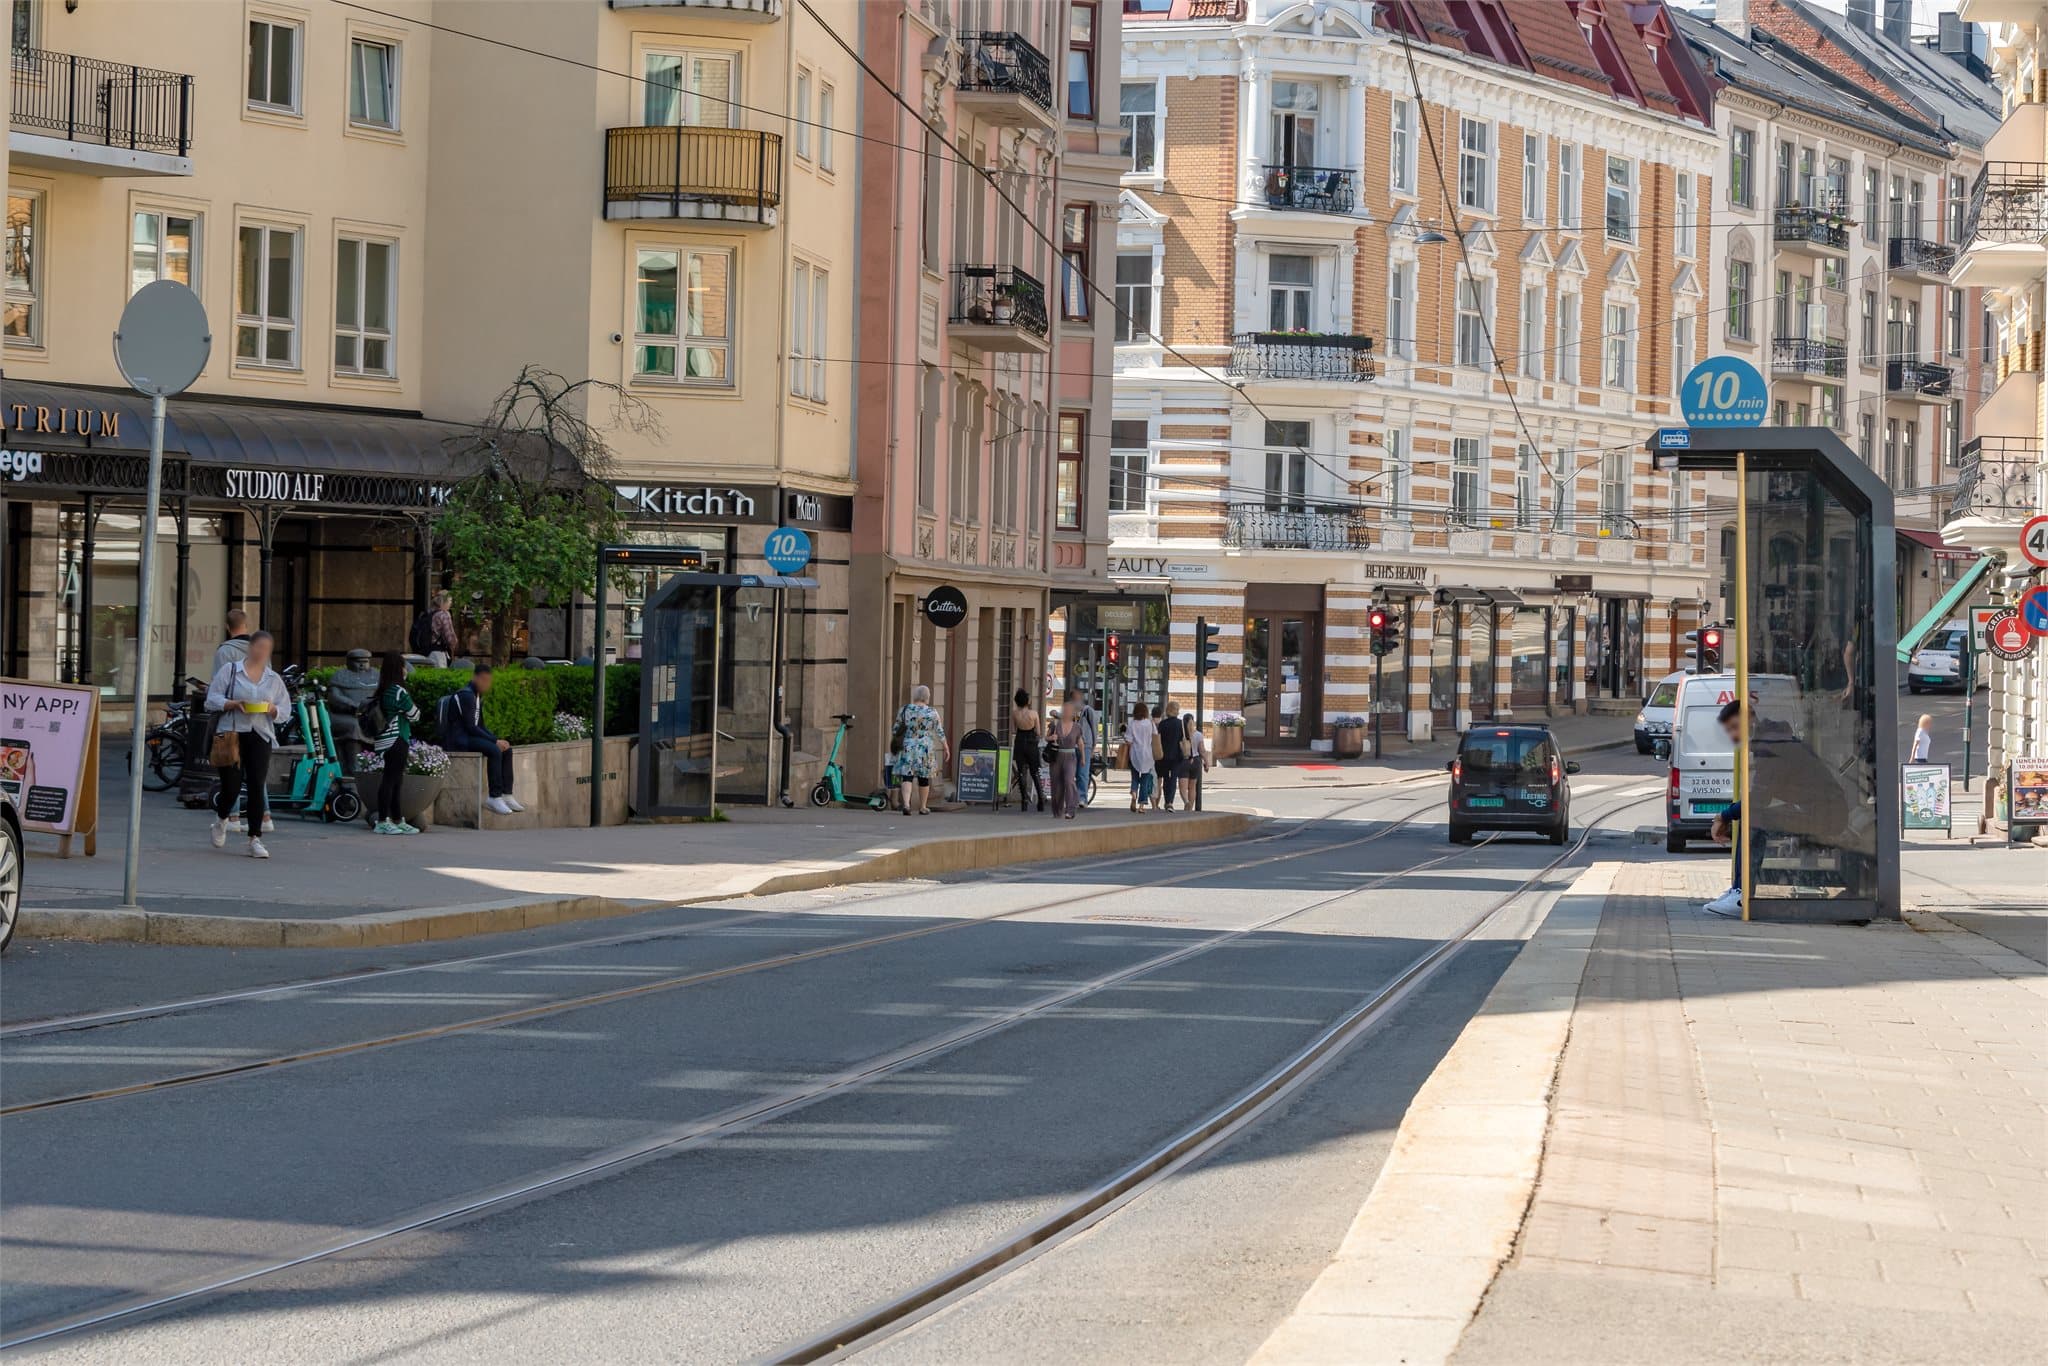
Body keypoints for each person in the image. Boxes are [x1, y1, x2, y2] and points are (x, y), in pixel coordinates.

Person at [205, 630, 292, 858]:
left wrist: (273, 710)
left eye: (267, 649)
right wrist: (233, 703)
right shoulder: (231, 670)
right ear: (250, 647)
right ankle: (222, 819)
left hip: (260, 734)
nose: (262, 652)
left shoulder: (273, 679)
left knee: (256, 785)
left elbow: (285, 710)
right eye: (259, 647)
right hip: (232, 733)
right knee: (231, 786)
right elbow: (211, 699)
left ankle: (255, 838)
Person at [441, 664, 523, 815]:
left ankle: (506, 794)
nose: (486, 684)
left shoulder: (477, 696)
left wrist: (497, 740)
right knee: (494, 750)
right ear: (475, 678)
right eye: (483, 680)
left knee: (507, 750)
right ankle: (494, 797)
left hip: (469, 737)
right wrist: (494, 742)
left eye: (488, 680)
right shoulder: (466, 695)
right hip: (459, 740)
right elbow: (471, 727)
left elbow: (481, 725)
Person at [369, 651, 423, 835]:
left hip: (384, 740)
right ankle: (384, 820)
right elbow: (415, 715)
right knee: (391, 780)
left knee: (394, 780)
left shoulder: (383, 689)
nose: (405, 670)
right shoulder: (399, 691)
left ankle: (397, 819)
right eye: (403, 666)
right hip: (397, 738)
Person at [892, 684, 948, 815]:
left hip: (908, 747)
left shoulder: (905, 709)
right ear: (927, 697)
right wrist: (945, 746)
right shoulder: (932, 712)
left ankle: (906, 804)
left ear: (915, 696)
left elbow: (895, 729)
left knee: (907, 776)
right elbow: (939, 731)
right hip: (925, 748)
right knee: (924, 778)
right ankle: (923, 806)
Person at [326, 648, 380, 776]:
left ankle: (375, 766)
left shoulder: (376, 675)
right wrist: (354, 706)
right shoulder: (340, 676)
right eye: (358, 662)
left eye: (365, 662)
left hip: (369, 714)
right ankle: (354, 767)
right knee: (354, 726)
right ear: (349, 662)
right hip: (342, 716)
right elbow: (335, 698)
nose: (361, 665)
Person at [1010, 689, 1044, 813]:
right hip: (1031, 742)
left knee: (1021, 772)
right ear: (1027, 701)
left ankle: (1024, 800)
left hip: (1020, 741)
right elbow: (1039, 732)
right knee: (1035, 772)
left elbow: (1013, 730)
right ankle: (1040, 800)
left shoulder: (1014, 713)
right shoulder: (1034, 714)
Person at [1049, 699, 1083, 820]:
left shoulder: (1077, 727)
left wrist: (1083, 758)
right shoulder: (1055, 724)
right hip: (1057, 756)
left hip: (1070, 756)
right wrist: (1051, 737)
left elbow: (1080, 742)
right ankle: (1057, 810)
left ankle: (1070, 810)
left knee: (1069, 781)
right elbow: (1046, 737)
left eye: (1070, 711)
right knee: (1056, 784)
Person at [1125, 702, 1158, 812]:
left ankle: (1134, 793)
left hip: (1135, 753)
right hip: (1147, 754)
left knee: (1134, 777)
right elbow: (1155, 736)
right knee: (1144, 780)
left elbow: (1128, 740)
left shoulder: (1132, 723)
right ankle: (1141, 805)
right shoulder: (1150, 723)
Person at [1156, 700, 1185, 812]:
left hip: (1164, 756)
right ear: (1176, 711)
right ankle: (1169, 802)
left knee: (1165, 779)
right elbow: (1184, 739)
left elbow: (1158, 740)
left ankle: (1166, 800)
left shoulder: (1163, 724)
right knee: (1173, 779)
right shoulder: (1180, 724)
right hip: (1177, 755)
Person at [212, 609, 252, 677]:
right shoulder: (261, 650)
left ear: (227, 626)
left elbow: (220, 682)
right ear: (246, 625)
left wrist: (208, 688)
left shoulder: (224, 651)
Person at [1181, 717, 1206, 811]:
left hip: (1184, 760)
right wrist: (1206, 762)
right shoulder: (1198, 734)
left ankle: (1186, 801)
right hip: (1196, 761)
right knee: (1192, 787)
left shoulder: (1182, 735)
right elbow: (1202, 750)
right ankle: (1190, 807)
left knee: (1183, 786)